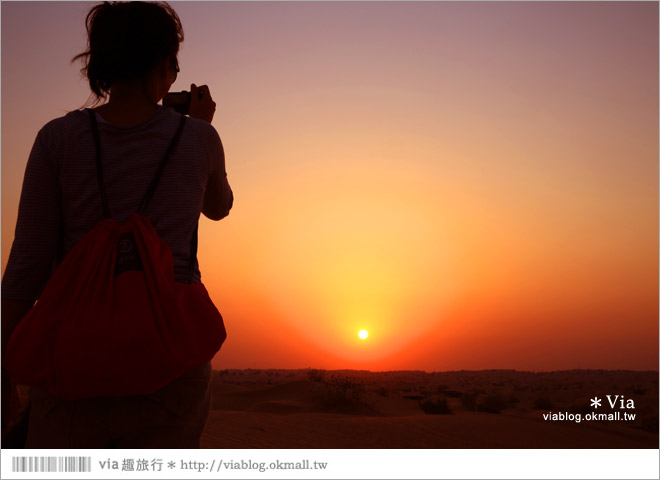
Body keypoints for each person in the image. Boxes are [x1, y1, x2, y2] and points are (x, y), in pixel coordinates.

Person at [1, 1, 233, 448]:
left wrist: (4, 365)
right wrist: (200, 129)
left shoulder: (58, 138)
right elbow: (219, 207)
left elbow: (27, 264)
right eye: (173, 63)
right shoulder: (200, 138)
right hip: (172, 365)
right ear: (165, 64)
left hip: (73, 361)